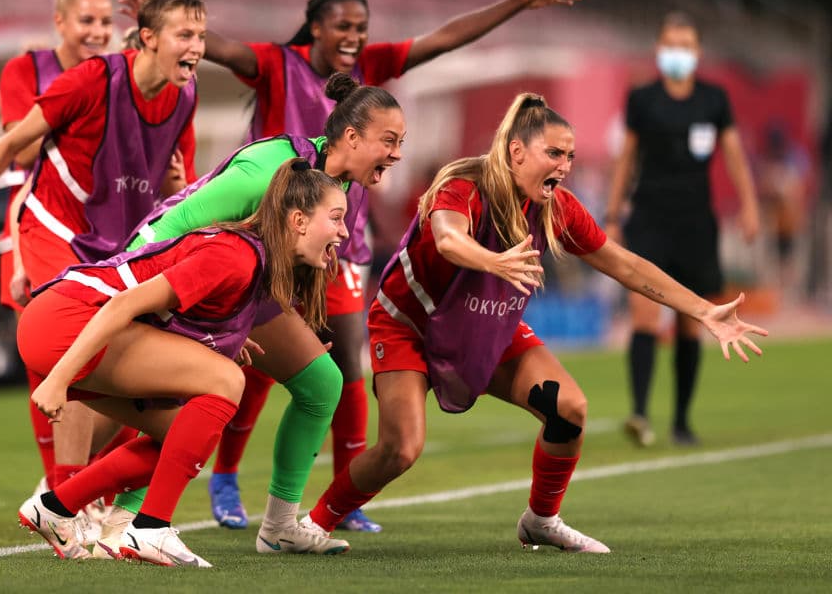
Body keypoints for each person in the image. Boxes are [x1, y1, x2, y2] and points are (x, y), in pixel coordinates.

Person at [120, 0, 583, 533]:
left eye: (361, 26)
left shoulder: (344, 156)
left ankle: (288, 522)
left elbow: (443, 39)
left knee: (328, 379)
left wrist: (520, 1)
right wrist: (162, 25)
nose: (355, 37)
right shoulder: (273, 139)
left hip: (315, 252)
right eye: (343, 25)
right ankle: (124, 501)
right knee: (211, 389)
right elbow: (192, 201)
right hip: (225, 260)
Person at [302, 92, 767, 553]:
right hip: (410, 325)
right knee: (400, 449)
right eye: (554, 153)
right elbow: (447, 238)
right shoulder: (464, 185)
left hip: (486, 328)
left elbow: (623, 265)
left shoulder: (558, 207)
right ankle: (313, 524)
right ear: (516, 151)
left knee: (571, 410)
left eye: (570, 156)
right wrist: (493, 262)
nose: (564, 166)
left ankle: (541, 520)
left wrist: (703, 310)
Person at [0, 0, 203, 531]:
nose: (198, 47)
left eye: (202, 36)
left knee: (139, 375)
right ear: (149, 38)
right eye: (187, 35)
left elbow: (172, 174)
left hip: (120, 244)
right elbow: (10, 145)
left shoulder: (185, 96)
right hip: (56, 231)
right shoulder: (91, 79)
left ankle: (74, 492)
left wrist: (174, 183)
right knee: (81, 348)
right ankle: (70, 499)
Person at [99, 74, 403, 556]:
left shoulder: (345, 183)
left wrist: (291, 321)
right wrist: (148, 298)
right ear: (351, 137)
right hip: (170, 275)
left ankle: (280, 527)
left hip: (238, 286)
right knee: (186, 400)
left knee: (321, 382)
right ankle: (118, 517)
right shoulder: (268, 168)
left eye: (400, 143)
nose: (397, 154)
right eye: (389, 141)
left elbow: (293, 260)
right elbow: (178, 220)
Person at [16, 160, 349, 566]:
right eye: (336, 218)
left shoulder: (256, 261)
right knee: (226, 380)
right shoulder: (237, 255)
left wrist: (221, 338)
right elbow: (124, 302)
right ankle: (150, 529)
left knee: (180, 436)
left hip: (67, 323)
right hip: (66, 319)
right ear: (298, 220)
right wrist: (59, 380)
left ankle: (55, 506)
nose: (344, 231)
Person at [603, 11, 761, 447]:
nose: (678, 52)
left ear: (698, 51)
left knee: (693, 320)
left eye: (686, 45)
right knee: (645, 314)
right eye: (671, 44)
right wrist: (613, 215)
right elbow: (625, 160)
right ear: (659, 49)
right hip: (650, 218)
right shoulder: (642, 99)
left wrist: (749, 205)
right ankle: (639, 413)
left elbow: (733, 155)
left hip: (696, 223)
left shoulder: (714, 99)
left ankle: (682, 420)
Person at [0, 0, 114, 488]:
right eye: (86, 20)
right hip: (36, 221)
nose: (97, 32)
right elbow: (19, 142)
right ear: (59, 23)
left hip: (101, 226)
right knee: (47, 354)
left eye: (105, 22)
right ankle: (60, 487)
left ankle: (84, 485)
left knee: (109, 354)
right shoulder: (26, 70)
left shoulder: (119, 75)